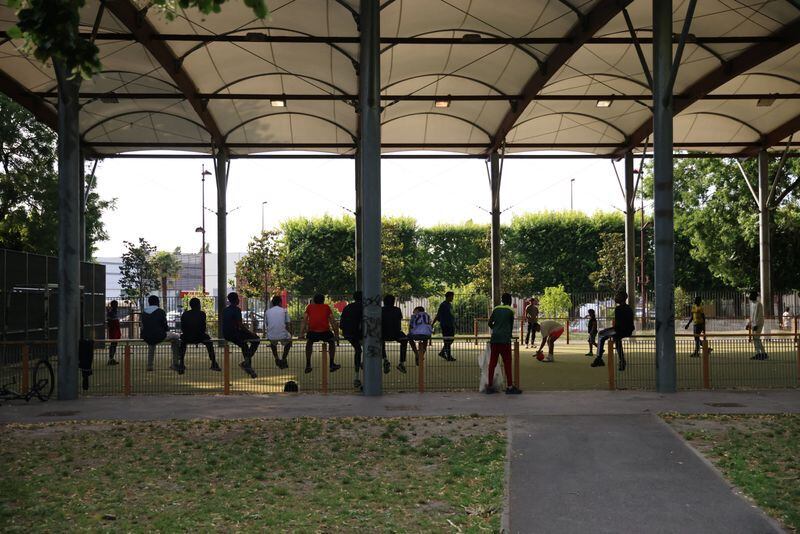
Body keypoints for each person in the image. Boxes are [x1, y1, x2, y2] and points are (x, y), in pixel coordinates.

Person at [486, 293, 522, 394]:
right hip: (505, 340)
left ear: (502, 300)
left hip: (495, 339)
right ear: (510, 300)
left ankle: (490, 386)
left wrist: (496, 329)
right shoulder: (511, 311)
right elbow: (510, 326)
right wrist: (506, 333)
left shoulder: (496, 309)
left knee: (492, 363)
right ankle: (509, 387)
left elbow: (490, 323)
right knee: (507, 363)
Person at [591, 290, 635, 371]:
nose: (615, 298)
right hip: (628, 330)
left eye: (617, 296)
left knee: (601, 334)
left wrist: (611, 331)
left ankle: (599, 358)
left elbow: (618, 325)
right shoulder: (628, 308)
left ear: (622, 298)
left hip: (620, 330)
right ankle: (622, 362)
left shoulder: (618, 309)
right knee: (617, 340)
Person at [300, 294, 341, 374]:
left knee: (309, 342)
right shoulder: (326, 307)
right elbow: (333, 321)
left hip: (312, 332)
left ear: (314, 300)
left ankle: (308, 364)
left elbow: (304, 321)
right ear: (323, 300)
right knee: (331, 342)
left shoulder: (309, 307)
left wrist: (301, 334)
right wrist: (336, 334)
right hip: (325, 332)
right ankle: (332, 363)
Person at [222, 292, 260, 378]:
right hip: (235, 333)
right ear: (236, 300)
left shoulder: (225, 310)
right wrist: (250, 333)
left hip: (226, 334)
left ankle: (248, 366)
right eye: (238, 298)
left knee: (244, 345)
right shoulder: (237, 310)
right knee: (256, 339)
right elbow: (240, 325)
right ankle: (246, 362)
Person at [178, 297, 220, 373]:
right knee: (209, 343)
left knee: (182, 342)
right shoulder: (202, 314)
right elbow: (203, 327)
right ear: (198, 305)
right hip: (199, 336)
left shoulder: (185, 314)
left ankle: (181, 363)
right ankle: (213, 362)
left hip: (187, 336)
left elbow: (182, 327)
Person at [140, 295, 180, 372]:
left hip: (146, 336)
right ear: (157, 302)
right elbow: (165, 325)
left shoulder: (144, 312)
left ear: (149, 302)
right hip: (159, 335)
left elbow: (143, 325)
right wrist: (167, 331)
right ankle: (175, 363)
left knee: (151, 343)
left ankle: (149, 365)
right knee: (176, 337)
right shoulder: (160, 311)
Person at [339, 291, 364, 388]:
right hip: (360, 333)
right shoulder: (365, 307)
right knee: (365, 348)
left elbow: (341, 324)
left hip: (349, 334)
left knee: (358, 350)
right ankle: (361, 368)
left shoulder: (347, 307)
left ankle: (356, 376)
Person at [382, 294, 409, 374]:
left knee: (379, 341)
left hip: (383, 332)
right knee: (405, 340)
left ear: (384, 302)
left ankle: (385, 359)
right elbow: (398, 319)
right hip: (396, 332)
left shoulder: (380, 310)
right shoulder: (397, 310)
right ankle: (401, 363)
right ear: (393, 302)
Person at [264, 295, 292, 370]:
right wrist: (290, 333)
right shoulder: (284, 310)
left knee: (273, 342)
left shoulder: (267, 312)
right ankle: (283, 358)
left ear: (272, 303)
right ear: (280, 302)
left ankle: (276, 358)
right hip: (283, 335)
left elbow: (267, 324)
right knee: (289, 341)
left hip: (271, 335)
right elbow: (288, 324)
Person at [432, 291, 456, 361]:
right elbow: (438, 315)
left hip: (451, 325)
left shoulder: (449, 305)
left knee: (451, 339)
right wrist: (432, 324)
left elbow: (451, 315)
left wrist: (454, 323)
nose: (452, 298)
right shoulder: (443, 305)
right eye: (451, 296)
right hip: (445, 325)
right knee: (447, 340)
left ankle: (442, 352)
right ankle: (448, 356)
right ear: (447, 297)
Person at [746, 291, 767, 360]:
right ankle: (759, 353)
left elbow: (760, 316)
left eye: (751, 296)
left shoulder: (759, 304)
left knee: (756, 338)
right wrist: (749, 324)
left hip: (758, 324)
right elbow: (751, 315)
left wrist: (756, 325)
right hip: (753, 324)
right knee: (755, 338)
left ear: (754, 296)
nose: (749, 297)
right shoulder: (752, 304)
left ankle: (762, 353)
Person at [106, 300, 121, 365]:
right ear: (113, 305)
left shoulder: (114, 312)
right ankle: (110, 358)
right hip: (113, 330)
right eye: (116, 304)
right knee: (113, 344)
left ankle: (111, 358)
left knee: (114, 344)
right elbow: (109, 322)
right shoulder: (111, 312)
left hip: (116, 329)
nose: (117, 306)